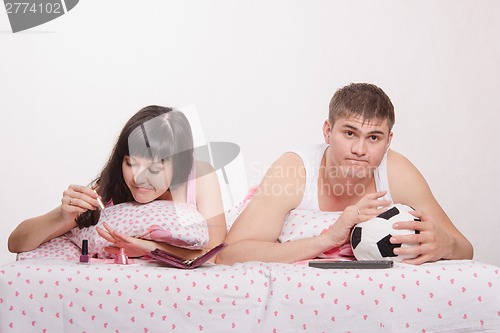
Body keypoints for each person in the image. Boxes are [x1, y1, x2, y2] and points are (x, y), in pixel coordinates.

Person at [217, 83, 473, 265]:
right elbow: (228, 254)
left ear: (389, 141)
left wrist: (445, 245)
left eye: (374, 137)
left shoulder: (398, 172)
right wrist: (328, 239)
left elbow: (465, 248)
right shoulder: (294, 170)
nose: (360, 150)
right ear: (328, 131)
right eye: (349, 133)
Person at [8, 105, 226, 260]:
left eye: (154, 168)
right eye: (131, 163)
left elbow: (215, 255)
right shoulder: (110, 188)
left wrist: (150, 248)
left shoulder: (199, 177)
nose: (139, 177)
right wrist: (61, 216)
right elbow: (16, 243)